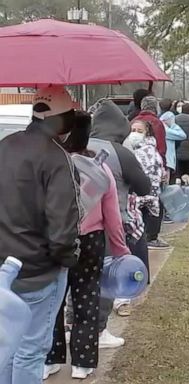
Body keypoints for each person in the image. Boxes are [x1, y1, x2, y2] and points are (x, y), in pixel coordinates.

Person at [0, 86, 81, 384]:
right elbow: (63, 226)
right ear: (63, 120)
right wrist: (68, 257)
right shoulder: (57, 158)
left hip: (4, 270)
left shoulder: (5, 145)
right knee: (30, 350)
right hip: (40, 271)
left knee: (6, 346)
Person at [44, 112, 130, 380]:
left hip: (54, 240)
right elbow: (112, 216)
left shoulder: (50, 164)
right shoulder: (99, 168)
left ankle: (51, 359)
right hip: (91, 241)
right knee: (86, 298)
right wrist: (120, 251)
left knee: (52, 301)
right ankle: (83, 362)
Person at [88, 99, 151, 347]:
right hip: (108, 225)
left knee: (79, 280)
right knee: (105, 278)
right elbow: (144, 186)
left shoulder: (75, 147)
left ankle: (73, 325)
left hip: (74, 225)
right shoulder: (120, 152)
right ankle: (99, 330)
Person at [124, 119, 167, 254]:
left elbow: (155, 169)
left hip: (147, 189)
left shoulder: (149, 150)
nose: (135, 134)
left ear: (147, 133)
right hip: (133, 191)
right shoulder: (127, 147)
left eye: (139, 131)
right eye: (133, 130)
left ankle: (150, 237)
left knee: (150, 212)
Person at [133, 96, 167, 167]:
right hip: (152, 163)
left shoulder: (134, 121)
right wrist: (163, 164)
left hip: (134, 162)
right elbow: (161, 146)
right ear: (156, 107)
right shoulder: (157, 123)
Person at [160, 111, 187, 184]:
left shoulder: (165, 129)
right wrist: (173, 125)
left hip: (166, 160)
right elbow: (182, 135)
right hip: (166, 161)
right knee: (165, 184)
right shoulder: (165, 130)